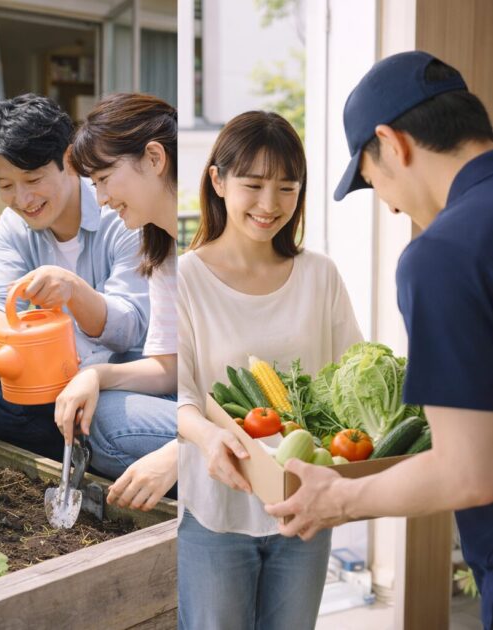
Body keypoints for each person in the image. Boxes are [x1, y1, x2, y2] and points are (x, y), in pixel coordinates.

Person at [265, 51, 493, 630]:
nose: (390, 205)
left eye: (373, 180)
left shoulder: (443, 254)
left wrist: (338, 498)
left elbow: (467, 470)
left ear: (392, 143)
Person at [121, 110, 362, 628]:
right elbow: (181, 395)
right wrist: (208, 440)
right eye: (253, 184)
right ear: (217, 180)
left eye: (287, 188)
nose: (269, 205)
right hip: (216, 515)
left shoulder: (320, 276)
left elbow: (350, 381)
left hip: (306, 505)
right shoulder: (187, 277)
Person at [0, 93, 150, 462]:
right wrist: (15, 336)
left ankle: (91, 452)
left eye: (32, 178)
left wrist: (74, 291)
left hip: (119, 380)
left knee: (106, 419)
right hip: (51, 379)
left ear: (68, 159)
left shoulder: (122, 214)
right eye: (6, 185)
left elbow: (131, 328)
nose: (22, 198)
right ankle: (76, 457)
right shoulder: (15, 226)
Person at [52, 92, 179, 499]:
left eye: (105, 179)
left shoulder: (216, 243)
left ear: (155, 158)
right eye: (94, 185)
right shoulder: (160, 251)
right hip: (199, 411)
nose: (102, 200)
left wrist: (182, 453)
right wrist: (94, 375)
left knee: (106, 425)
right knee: (98, 406)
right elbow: (168, 368)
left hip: (244, 423)